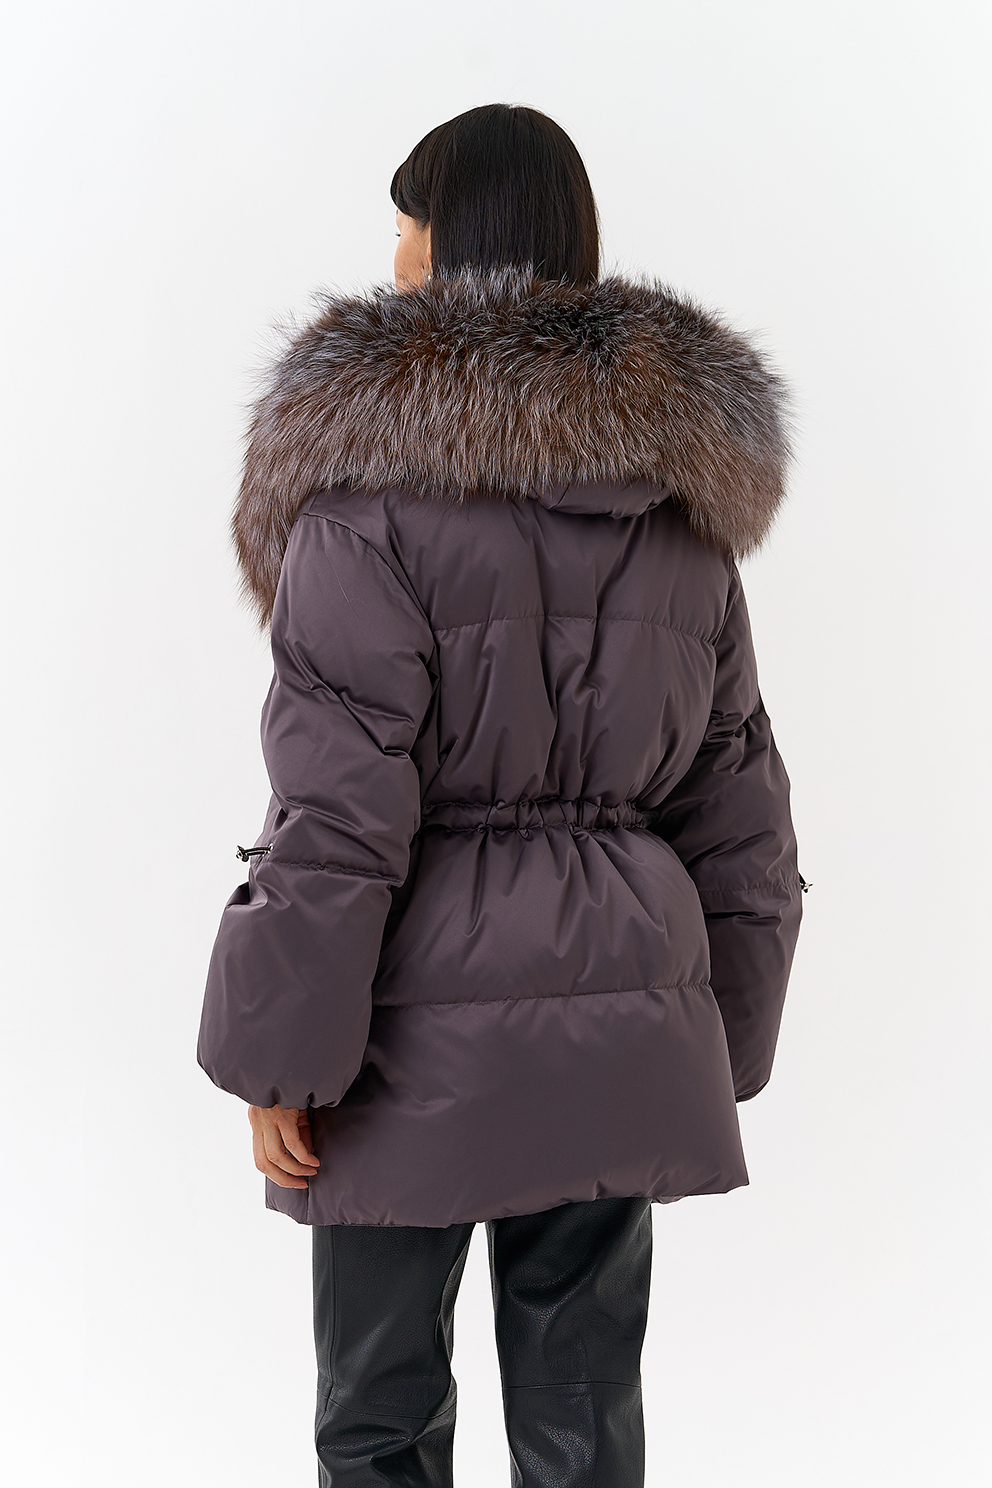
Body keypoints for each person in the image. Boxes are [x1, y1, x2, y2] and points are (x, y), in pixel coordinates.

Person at [197, 102, 806, 1488]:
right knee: (585, 1407)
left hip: (406, 1030)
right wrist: (721, 1033)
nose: (393, 257)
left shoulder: (362, 507)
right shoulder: (680, 515)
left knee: (379, 1412)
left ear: (452, 243)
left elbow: (336, 823)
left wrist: (278, 1058)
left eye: (406, 225)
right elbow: (740, 810)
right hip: (627, 1021)